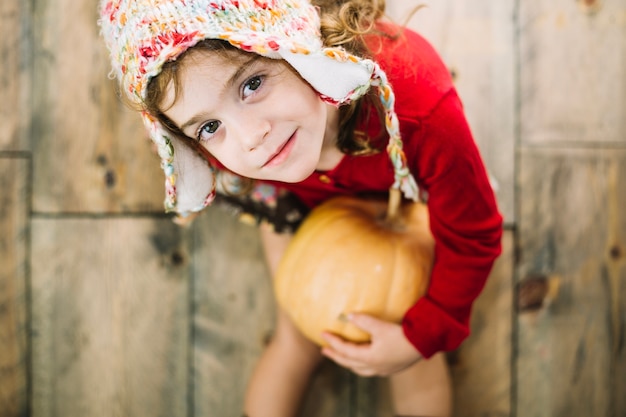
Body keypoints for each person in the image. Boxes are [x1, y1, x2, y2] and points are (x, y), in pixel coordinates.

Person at [99, 0, 503, 416]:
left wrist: (420, 336)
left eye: (251, 85)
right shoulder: (239, 151)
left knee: (410, 338)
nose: (250, 138)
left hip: (397, 185)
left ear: (298, 45)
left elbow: (474, 233)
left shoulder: (416, 109)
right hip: (289, 192)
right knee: (297, 332)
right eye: (209, 127)